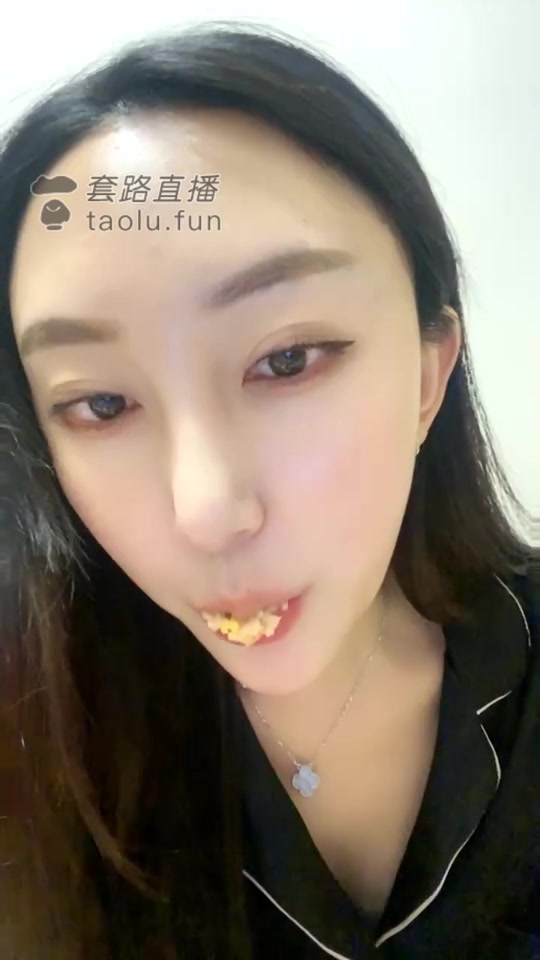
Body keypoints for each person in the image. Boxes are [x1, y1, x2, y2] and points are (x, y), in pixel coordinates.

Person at [0, 21, 537, 960]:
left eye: (287, 360)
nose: (207, 512)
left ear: (427, 375)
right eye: (102, 404)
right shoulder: (33, 752)